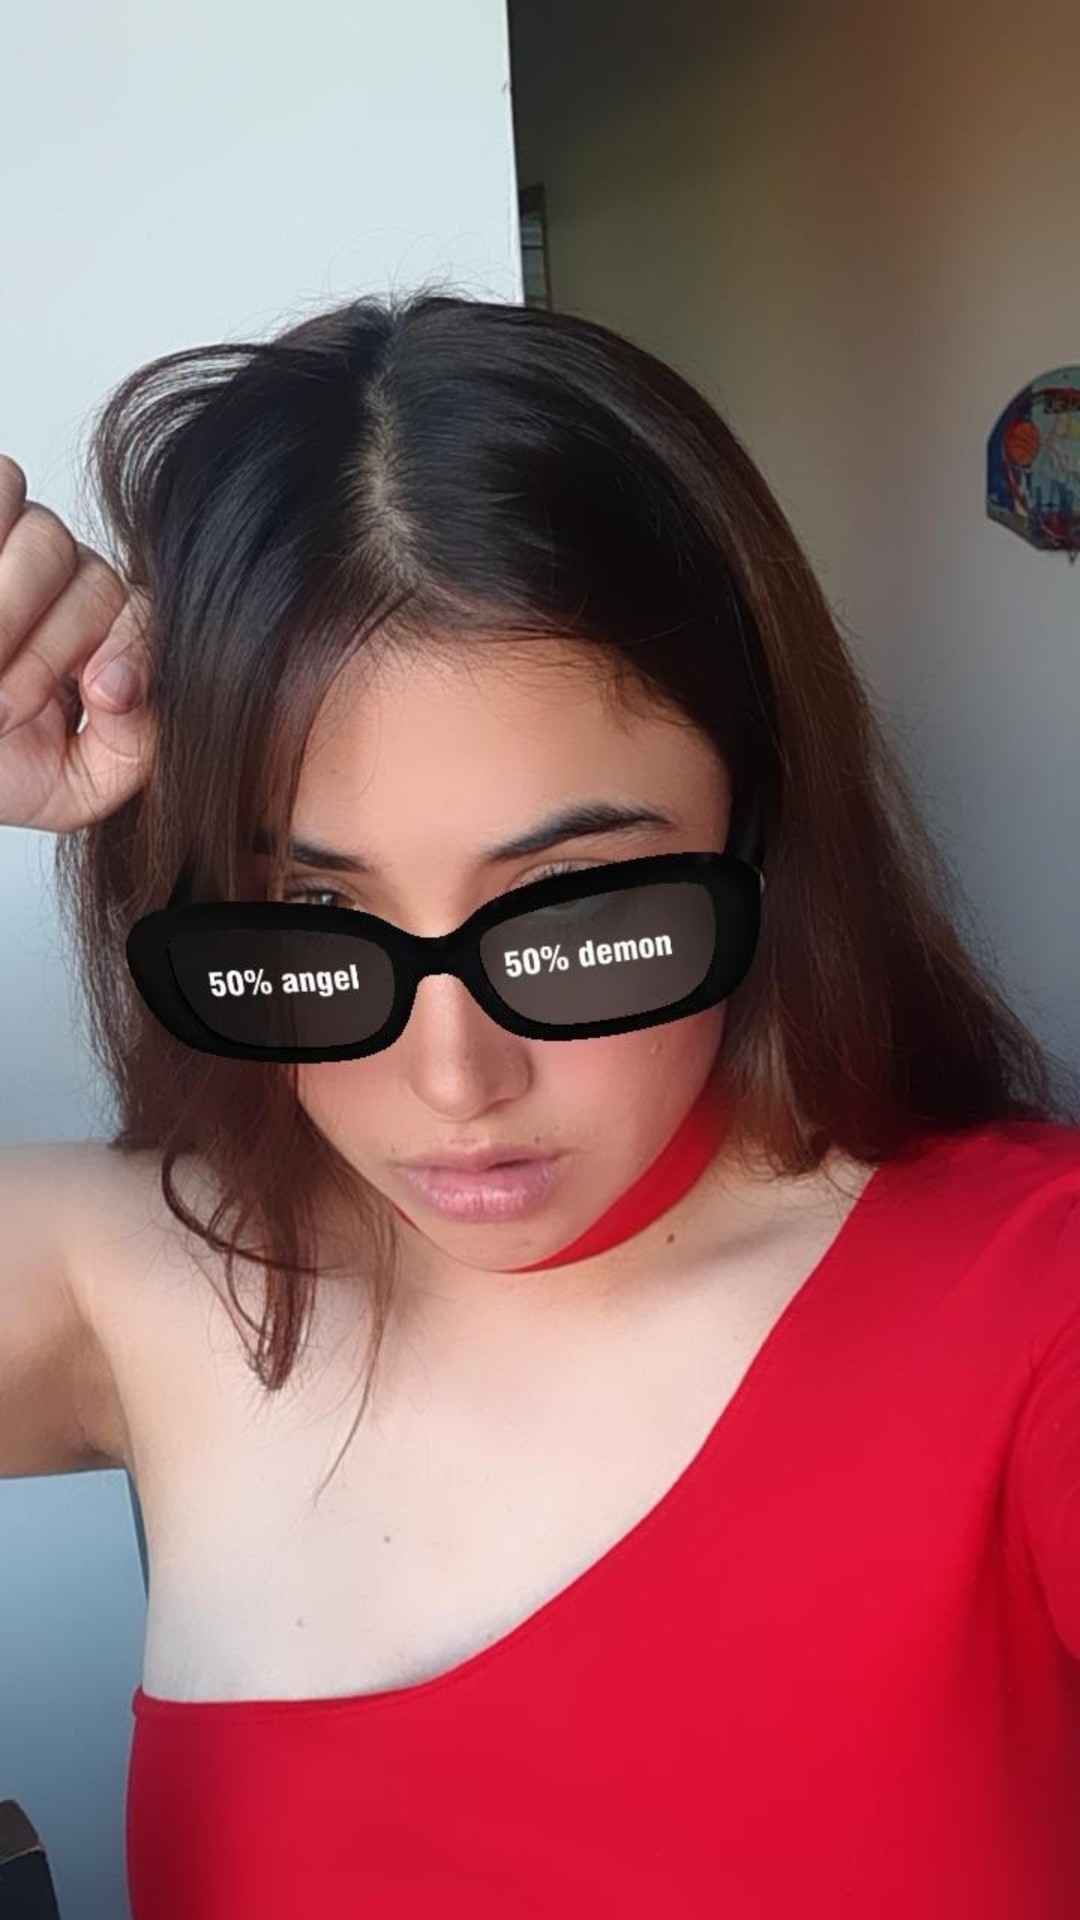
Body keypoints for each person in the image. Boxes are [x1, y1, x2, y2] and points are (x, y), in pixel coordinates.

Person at [0, 289, 1078, 1918]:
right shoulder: (142, 1275)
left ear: (760, 827)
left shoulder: (1033, 1298)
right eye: (317, 916)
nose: (455, 1079)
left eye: (576, 911)